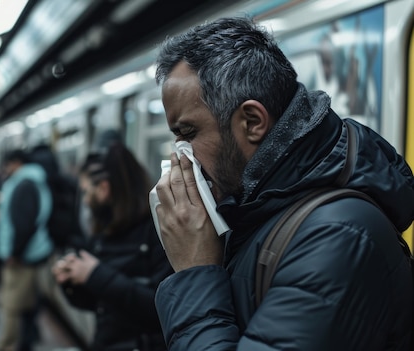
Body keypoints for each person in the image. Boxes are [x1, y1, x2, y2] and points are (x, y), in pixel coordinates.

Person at [152, 17, 414, 350]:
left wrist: (195, 271)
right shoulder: (250, 210)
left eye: (188, 134)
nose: (180, 156)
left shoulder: (339, 235)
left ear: (252, 122)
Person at [52, 142, 173, 351]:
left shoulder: (159, 230)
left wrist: (95, 274)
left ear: (104, 189)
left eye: (86, 191)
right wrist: (72, 281)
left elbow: (162, 307)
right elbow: (100, 304)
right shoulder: (103, 230)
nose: (86, 201)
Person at [0, 149, 54, 351]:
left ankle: (9, 345)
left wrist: (14, 254)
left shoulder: (24, 185)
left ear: (16, 163)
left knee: (12, 307)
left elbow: (23, 224)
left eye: (7, 165)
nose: (6, 170)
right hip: (32, 254)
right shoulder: (33, 181)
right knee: (28, 306)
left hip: (22, 258)